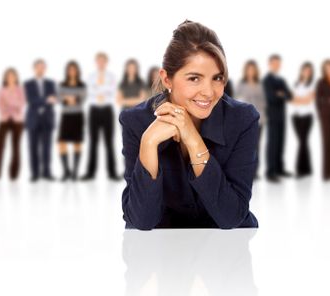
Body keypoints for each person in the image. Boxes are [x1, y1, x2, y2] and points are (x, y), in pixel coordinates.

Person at [119, 20, 259, 230]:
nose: (209, 92)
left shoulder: (242, 120)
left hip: (225, 248)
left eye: (217, 78)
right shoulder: (136, 121)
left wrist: (193, 139)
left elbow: (231, 217)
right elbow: (141, 221)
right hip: (160, 249)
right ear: (167, 79)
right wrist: (148, 143)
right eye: (194, 78)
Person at [81, 52, 121, 181]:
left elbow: (112, 91)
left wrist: (99, 89)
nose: (101, 63)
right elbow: (89, 91)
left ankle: (112, 172)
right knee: (93, 142)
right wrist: (103, 90)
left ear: (106, 62)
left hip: (107, 110)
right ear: (96, 62)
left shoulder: (111, 76)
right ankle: (90, 172)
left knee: (109, 142)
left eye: (103, 60)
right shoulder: (91, 76)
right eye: (99, 60)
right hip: (94, 110)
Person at [0, 68, 26, 181]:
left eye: (12, 75)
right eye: (8, 75)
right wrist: (11, 105)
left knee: (16, 146)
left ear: (16, 77)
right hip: (3, 120)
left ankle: (14, 175)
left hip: (18, 120)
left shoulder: (21, 89)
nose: (10, 77)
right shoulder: (1, 90)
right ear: (5, 78)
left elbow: (22, 103)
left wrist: (9, 104)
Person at [24, 59, 57, 182]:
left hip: (47, 119)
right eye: (38, 67)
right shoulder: (28, 84)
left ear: (45, 68)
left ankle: (47, 172)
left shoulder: (50, 83)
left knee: (47, 148)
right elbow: (30, 100)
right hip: (33, 119)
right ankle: (35, 173)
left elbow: (53, 99)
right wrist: (46, 100)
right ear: (34, 68)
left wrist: (46, 100)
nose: (40, 69)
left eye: (43, 67)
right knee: (32, 147)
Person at [262, 54, 293, 183]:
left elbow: (290, 96)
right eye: (274, 63)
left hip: (282, 116)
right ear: (270, 64)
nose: (277, 66)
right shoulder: (266, 80)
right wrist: (281, 94)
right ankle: (270, 172)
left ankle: (280, 169)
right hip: (272, 116)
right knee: (272, 143)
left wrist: (281, 94)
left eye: (278, 63)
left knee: (281, 142)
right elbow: (271, 98)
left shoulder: (281, 80)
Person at [236, 59, 266, 179]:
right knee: (246, 146)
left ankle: (255, 171)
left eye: (253, 69)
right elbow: (236, 100)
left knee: (257, 145)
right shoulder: (241, 84)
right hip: (246, 120)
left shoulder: (260, 84)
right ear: (246, 71)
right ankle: (245, 170)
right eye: (249, 69)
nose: (251, 71)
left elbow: (264, 102)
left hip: (260, 118)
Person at [57, 61, 87, 181]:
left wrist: (69, 98)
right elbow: (60, 98)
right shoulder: (62, 84)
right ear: (67, 71)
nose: (72, 72)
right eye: (70, 70)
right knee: (62, 143)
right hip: (66, 116)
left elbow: (82, 99)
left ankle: (75, 172)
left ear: (77, 71)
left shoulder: (81, 85)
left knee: (77, 142)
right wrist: (71, 98)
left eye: (74, 69)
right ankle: (66, 171)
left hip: (77, 116)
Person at [290, 62, 316, 178]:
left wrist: (298, 99)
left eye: (309, 71)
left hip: (307, 117)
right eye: (305, 70)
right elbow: (290, 100)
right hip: (295, 117)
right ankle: (307, 168)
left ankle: (300, 170)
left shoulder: (313, 85)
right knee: (303, 142)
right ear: (301, 71)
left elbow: (308, 100)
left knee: (302, 141)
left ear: (311, 73)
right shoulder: (296, 84)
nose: (306, 72)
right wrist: (299, 99)